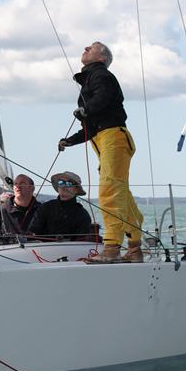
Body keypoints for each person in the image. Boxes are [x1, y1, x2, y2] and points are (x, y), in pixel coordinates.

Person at [57, 42, 143, 262]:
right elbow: (92, 125)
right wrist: (71, 140)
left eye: (93, 47)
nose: (85, 47)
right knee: (120, 192)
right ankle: (134, 248)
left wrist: (87, 108)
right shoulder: (93, 78)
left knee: (109, 191)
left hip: (113, 138)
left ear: (102, 58)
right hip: (106, 138)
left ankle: (112, 247)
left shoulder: (101, 75)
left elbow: (102, 99)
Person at [28, 171, 94, 241]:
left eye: (69, 183)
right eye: (61, 182)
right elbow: (32, 234)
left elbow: (83, 243)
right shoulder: (45, 208)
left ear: (76, 190)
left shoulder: (82, 214)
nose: (63, 186)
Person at [0, 174, 40, 244]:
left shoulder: (42, 210)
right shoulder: (1, 211)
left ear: (32, 188)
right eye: (15, 184)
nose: (18, 186)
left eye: (22, 183)